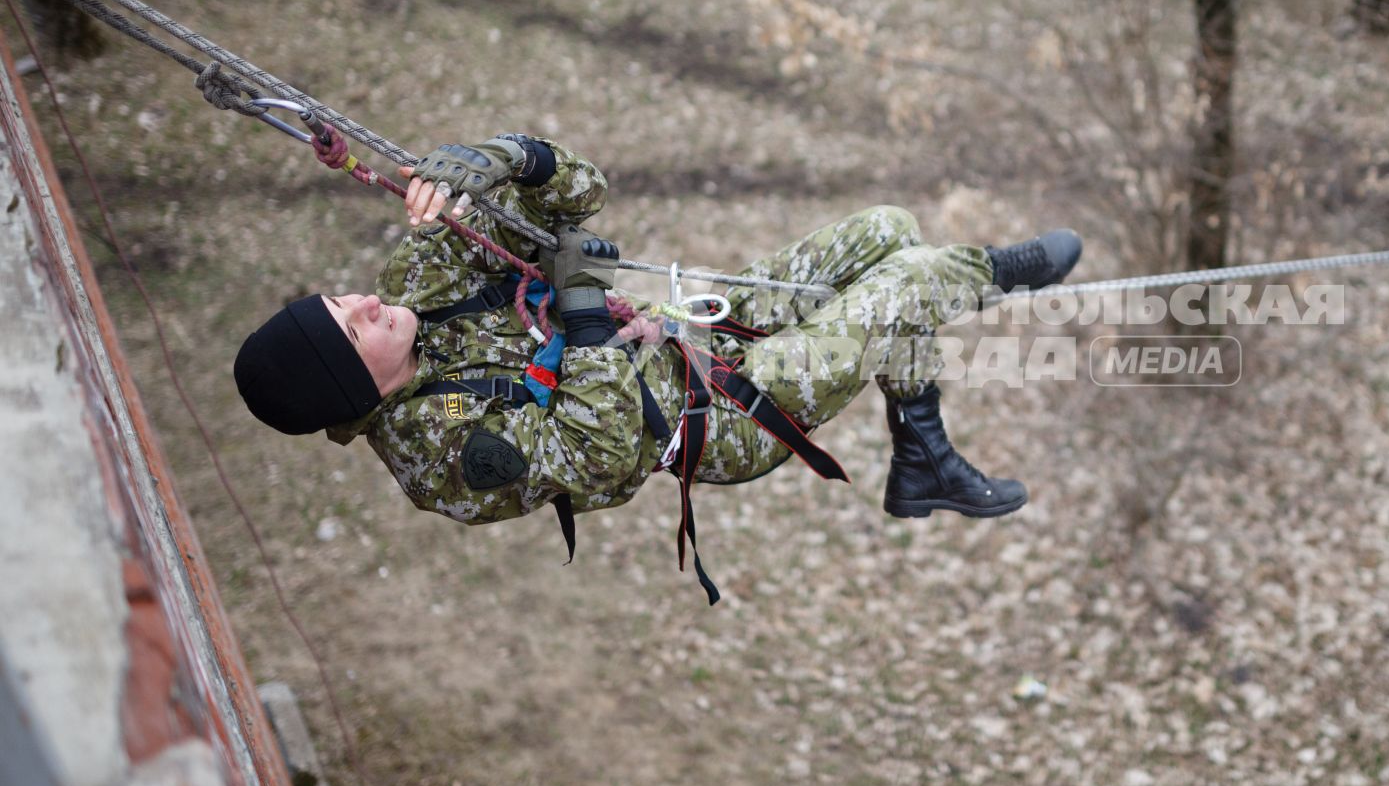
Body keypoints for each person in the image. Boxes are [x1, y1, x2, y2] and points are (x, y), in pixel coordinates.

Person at [232, 134, 1080, 589]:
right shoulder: (439, 451)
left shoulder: (419, 281)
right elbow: (600, 458)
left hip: (689, 338)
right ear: (360, 386)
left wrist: (510, 158)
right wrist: (586, 312)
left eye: (343, 300)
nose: (370, 305)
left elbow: (579, 197)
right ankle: (999, 273)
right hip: (719, 419)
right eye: (356, 330)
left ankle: (924, 457)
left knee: (885, 230)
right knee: (910, 281)